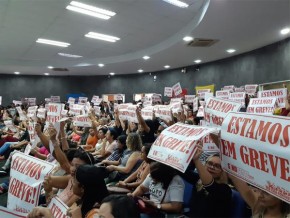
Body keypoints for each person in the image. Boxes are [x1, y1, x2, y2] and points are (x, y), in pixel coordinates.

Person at [182, 144, 232, 217]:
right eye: (210, 163)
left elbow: (210, 185)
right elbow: (183, 171)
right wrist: (191, 158)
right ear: (205, 164)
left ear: (223, 171)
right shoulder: (199, 179)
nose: (212, 167)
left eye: (217, 166)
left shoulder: (225, 190)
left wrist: (196, 160)